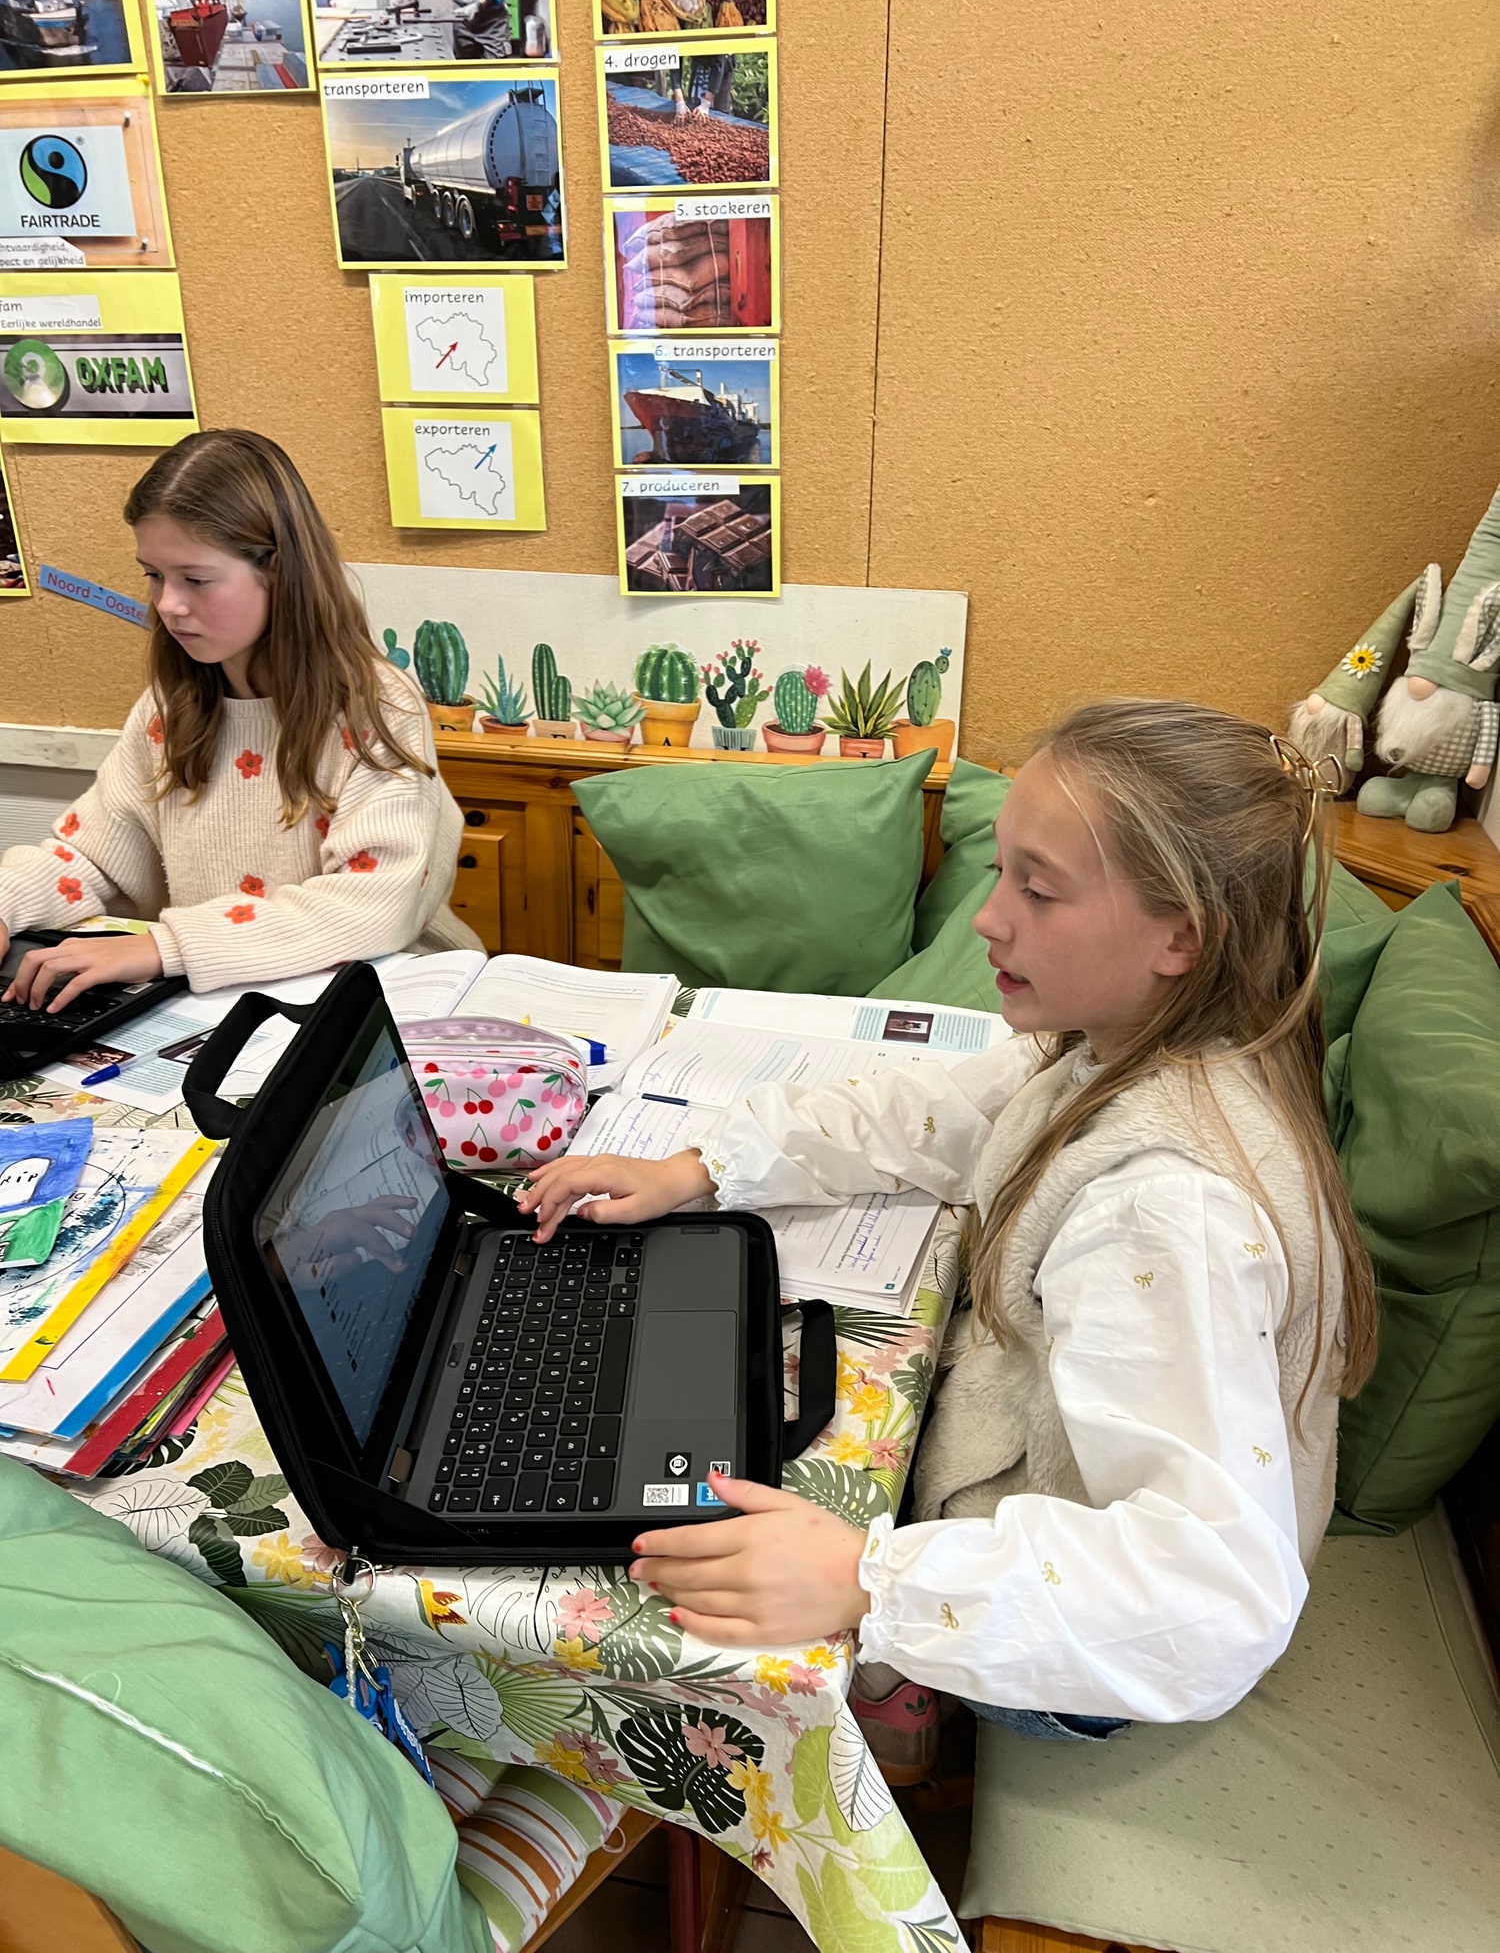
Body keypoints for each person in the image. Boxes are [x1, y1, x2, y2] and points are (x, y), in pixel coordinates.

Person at [516, 699, 1378, 1770]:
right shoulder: (1128, 1041)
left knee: (695, 1555)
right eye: (1000, 872)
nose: (988, 918)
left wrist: (867, 1583)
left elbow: (1213, 1598)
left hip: (1079, 1658)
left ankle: (900, 1707)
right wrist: (706, 1166)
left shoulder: (1164, 1208)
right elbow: (938, 1110)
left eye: (1038, 889)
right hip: (1029, 1499)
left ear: (1184, 935)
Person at [0, 428, 480, 1013]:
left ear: (277, 570)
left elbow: (371, 903)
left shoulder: (377, 707)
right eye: (153, 575)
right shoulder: (169, 708)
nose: (168, 604)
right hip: (225, 1001)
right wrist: (5, 904)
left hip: (387, 1000)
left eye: (195, 579)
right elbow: (93, 858)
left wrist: (166, 946)